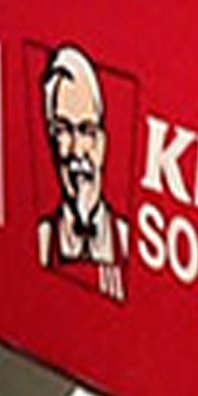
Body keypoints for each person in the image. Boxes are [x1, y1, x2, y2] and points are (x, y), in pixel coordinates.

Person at [36, 45, 128, 301]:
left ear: (102, 142)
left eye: (86, 131)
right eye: (63, 130)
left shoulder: (126, 239)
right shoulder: (42, 239)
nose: (77, 151)